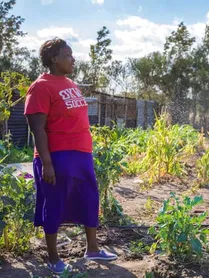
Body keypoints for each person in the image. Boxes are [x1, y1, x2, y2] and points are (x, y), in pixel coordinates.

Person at [24, 38, 117, 275]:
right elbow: (37, 128)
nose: (73, 58)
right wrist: (47, 163)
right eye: (68, 55)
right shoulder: (41, 87)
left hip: (82, 154)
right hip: (57, 155)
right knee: (54, 202)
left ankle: (93, 248)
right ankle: (54, 257)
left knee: (89, 198)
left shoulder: (70, 83)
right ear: (54, 58)